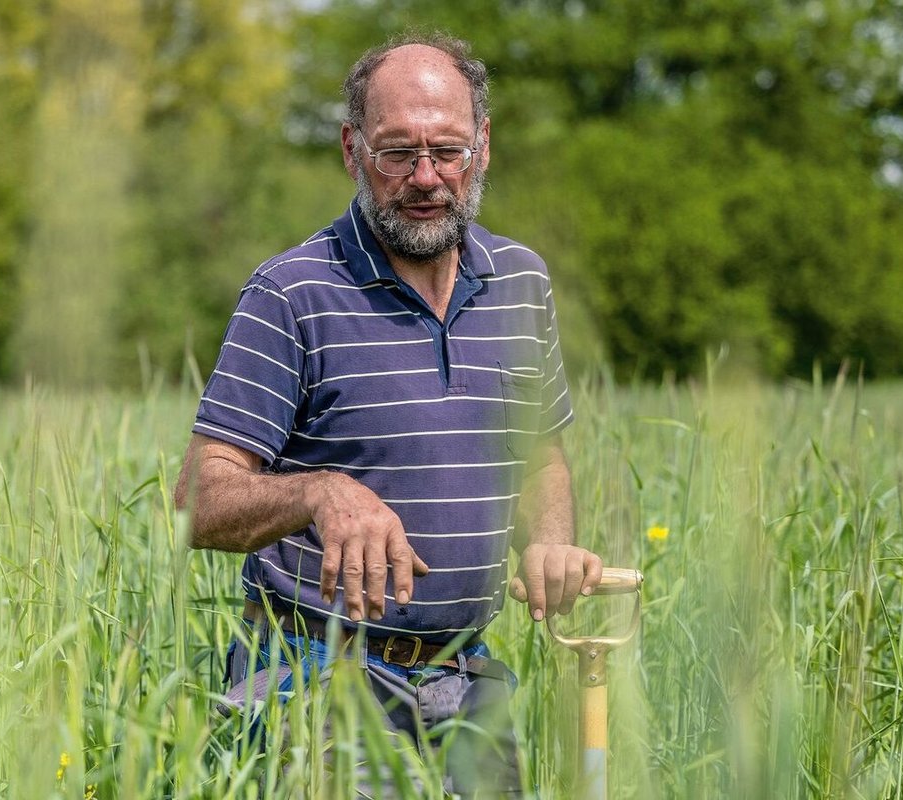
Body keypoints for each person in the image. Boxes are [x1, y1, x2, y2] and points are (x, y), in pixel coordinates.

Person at [174, 32, 603, 796]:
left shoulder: (522, 284)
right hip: (317, 685)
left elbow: (538, 457)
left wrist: (551, 543)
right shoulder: (291, 294)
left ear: (485, 146)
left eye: (449, 150)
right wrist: (315, 492)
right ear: (351, 149)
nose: (427, 177)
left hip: (469, 686)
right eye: (397, 152)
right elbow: (197, 502)